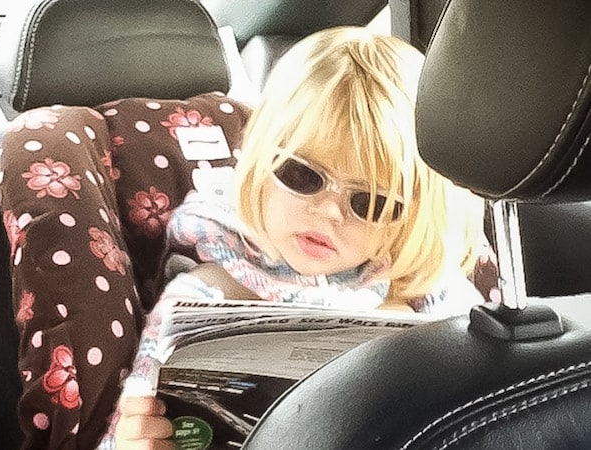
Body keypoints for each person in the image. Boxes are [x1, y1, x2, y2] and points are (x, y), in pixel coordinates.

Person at [109, 26, 488, 449]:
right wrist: (134, 442)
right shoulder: (201, 299)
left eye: (371, 201)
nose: (328, 211)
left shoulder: (435, 302)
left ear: (411, 216)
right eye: (301, 174)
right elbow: (135, 421)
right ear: (257, 165)